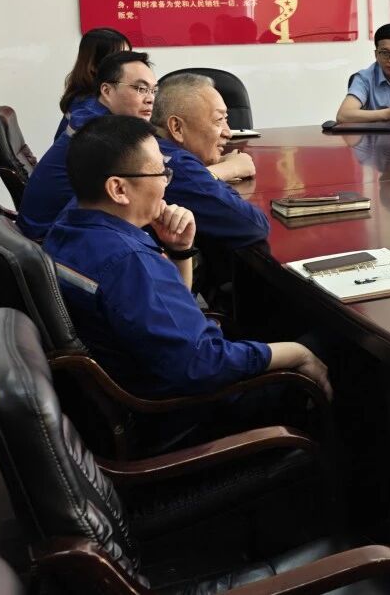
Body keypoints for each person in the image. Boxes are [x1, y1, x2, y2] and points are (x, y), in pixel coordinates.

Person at [43, 115, 329, 401]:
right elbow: (203, 364)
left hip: (147, 374)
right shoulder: (129, 261)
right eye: (160, 174)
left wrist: (180, 251)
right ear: (118, 189)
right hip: (189, 406)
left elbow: (170, 315)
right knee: (329, 339)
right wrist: (297, 353)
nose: (166, 183)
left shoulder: (67, 224)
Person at [18, 50, 158, 241]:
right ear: (107, 91)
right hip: (51, 236)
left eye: (153, 90)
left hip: (48, 227)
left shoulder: (93, 113)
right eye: (140, 89)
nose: (150, 99)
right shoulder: (101, 134)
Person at [150, 73, 268, 247]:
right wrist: (230, 169)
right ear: (177, 127)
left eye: (226, 119)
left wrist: (203, 170)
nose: (228, 132)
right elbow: (254, 224)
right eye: (218, 120)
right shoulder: (178, 165)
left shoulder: (149, 145)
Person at [55, 27, 131, 139]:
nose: (131, 65)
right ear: (93, 66)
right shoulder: (91, 110)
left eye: (129, 57)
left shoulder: (90, 98)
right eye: (120, 60)